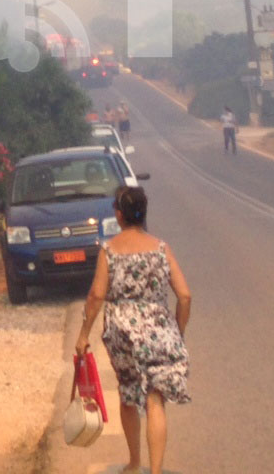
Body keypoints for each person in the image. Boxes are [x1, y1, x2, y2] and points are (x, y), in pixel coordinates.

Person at [75, 186, 192, 474]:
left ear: (118, 213)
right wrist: (177, 330)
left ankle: (134, 463)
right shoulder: (162, 248)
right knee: (156, 398)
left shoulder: (109, 251)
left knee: (129, 395)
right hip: (159, 329)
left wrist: (83, 335)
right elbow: (185, 296)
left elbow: (96, 296)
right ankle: (155, 471)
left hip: (122, 331)